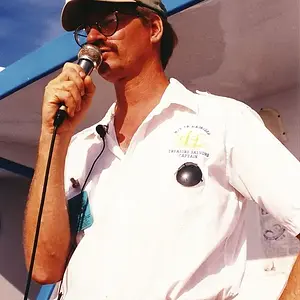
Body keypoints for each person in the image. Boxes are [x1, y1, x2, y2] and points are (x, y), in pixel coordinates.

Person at [23, 0, 300, 299]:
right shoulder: (80, 147)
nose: (92, 37)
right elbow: (43, 269)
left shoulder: (224, 121)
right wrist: (54, 135)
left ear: (154, 28)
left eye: (107, 21)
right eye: (86, 28)